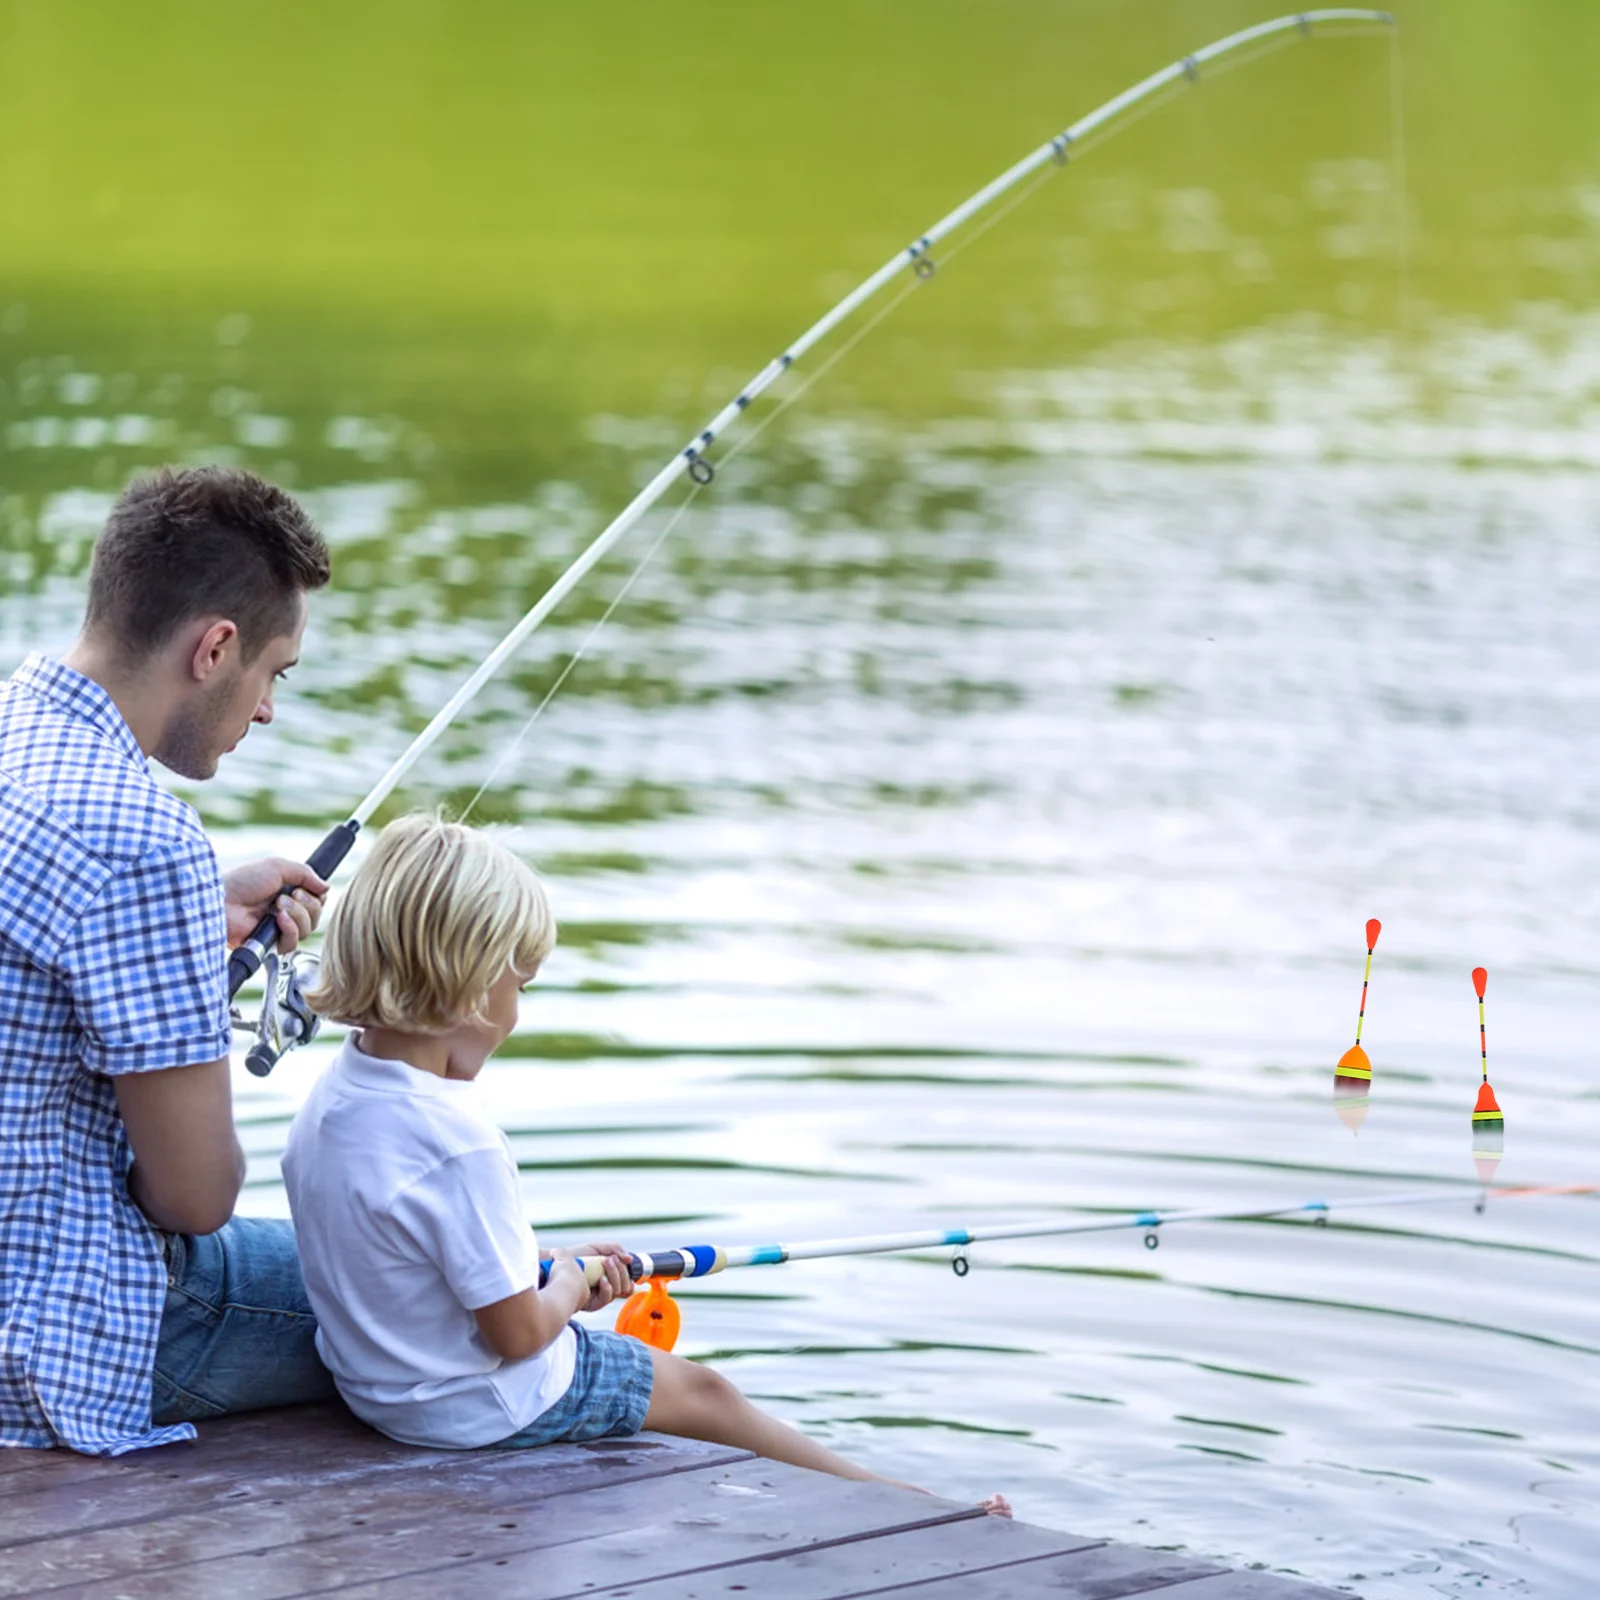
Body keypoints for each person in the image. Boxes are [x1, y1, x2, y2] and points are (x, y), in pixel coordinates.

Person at [284, 815, 939, 1487]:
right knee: (706, 1394)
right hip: (478, 1409)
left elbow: (410, 1266)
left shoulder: (334, 1099)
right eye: (521, 986)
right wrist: (568, 1287)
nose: (516, 1014)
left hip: (382, 1396)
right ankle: (914, 1502)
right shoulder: (456, 1140)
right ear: (470, 986)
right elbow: (515, 1338)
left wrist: (554, 1264)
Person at [0, 466, 337, 1455]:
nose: (266, 709)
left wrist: (192, 924)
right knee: (443, 1299)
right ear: (215, 646)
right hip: (54, 1339)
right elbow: (192, 1198)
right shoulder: (143, 840)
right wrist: (184, 959)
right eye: (275, 672)